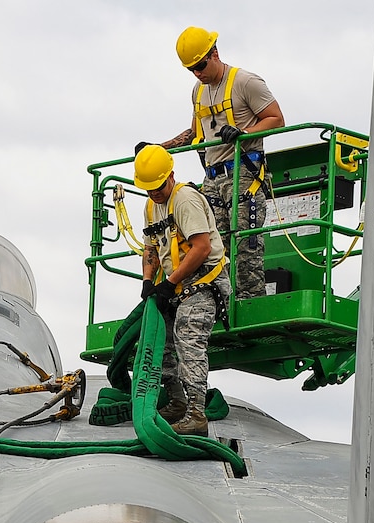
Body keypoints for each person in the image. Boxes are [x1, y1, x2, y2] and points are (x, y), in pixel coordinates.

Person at [137, 26, 284, 300]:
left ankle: (250, 302)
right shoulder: (198, 91)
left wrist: (243, 133)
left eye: (201, 65)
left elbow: (276, 119)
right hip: (213, 179)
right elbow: (193, 133)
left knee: (246, 242)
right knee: (214, 245)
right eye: (191, 69)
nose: (198, 73)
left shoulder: (246, 82)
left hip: (243, 174)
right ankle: (221, 300)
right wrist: (158, 148)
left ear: (214, 53)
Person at [135, 145, 231, 436]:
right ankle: (176, 400)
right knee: (155, 337)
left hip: (204, 283)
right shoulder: (152, 206)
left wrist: (169, 282)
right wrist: (149, 282)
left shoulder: (185, 199)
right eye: (149, 189)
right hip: (175, 286)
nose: (155, 193)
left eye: (159, 187)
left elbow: (201, 247)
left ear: (171, 176)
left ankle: (196, 413)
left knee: (187, 337)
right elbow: (150, 248)